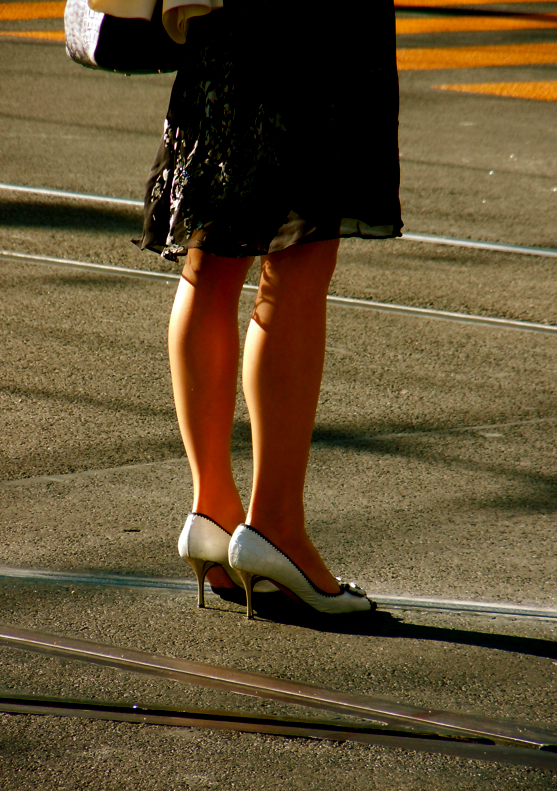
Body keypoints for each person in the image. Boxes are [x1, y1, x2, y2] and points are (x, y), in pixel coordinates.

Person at [136, 0, 403, 618]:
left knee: (211, 248)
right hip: (314, 22)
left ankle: (212, 509)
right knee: (300, 252)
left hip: (228, 15)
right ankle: (275, 524)